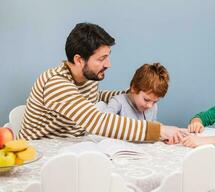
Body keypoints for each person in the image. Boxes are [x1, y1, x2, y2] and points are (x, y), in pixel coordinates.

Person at [20, 22, 181, 143]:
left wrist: (133, 93)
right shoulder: (55, 84)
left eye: (108, 56)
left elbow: (95, 97)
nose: (108, 64)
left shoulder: (88, 79)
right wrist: (159, 130)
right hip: (41, 154)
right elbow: (97, 121)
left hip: (74, 148)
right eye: (101, 58)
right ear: (79, 60)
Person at [95, 62, 169, 121]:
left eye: (155, 102)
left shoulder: (153, 107)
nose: (150, 106)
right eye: (146, 100)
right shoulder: (118, 102)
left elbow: (154, 128)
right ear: (134, 88)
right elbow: (105, 121)